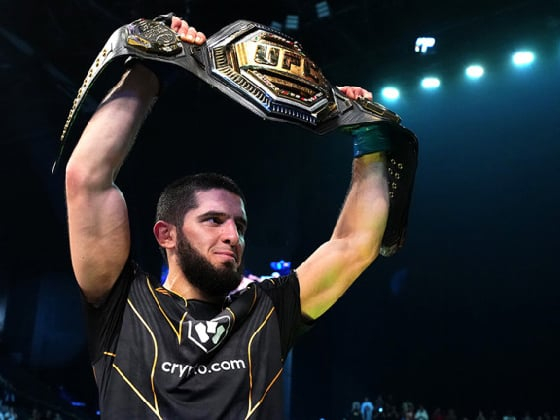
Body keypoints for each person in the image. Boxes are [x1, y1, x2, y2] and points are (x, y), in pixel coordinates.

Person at [64, 15, 391, 420]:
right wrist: (151, 67)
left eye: (240, 225)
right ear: (166, 234)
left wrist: (370, 137)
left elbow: (355, 244)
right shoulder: (123, 304)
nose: (233, 236)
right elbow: (86, 178)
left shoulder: (266, 310)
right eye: (214, 220)